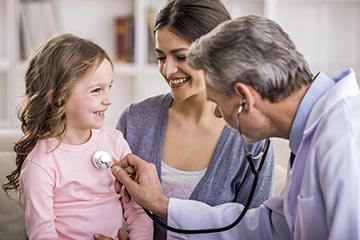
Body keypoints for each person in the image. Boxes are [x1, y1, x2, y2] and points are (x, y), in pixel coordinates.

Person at [108, 15, 360, 239]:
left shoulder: (343, 141)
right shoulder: (313, 135)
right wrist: (163, 205)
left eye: (216, 102)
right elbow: (272, 227)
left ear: (244, 99)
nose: (217, 113)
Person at [114, 1, 275, 239]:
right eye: (161, 57)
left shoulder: (252, 138)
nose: (168, 70)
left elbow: (256, 231)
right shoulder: (134, 120)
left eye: (181, 56)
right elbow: (105, 204)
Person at [2, 33, 153, 239]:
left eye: (109, 87)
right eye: (97, 90)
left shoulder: (114, 141)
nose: (108, 99)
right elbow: (42, 232)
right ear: (56, 98)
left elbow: (137, 210)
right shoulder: (41, 162)